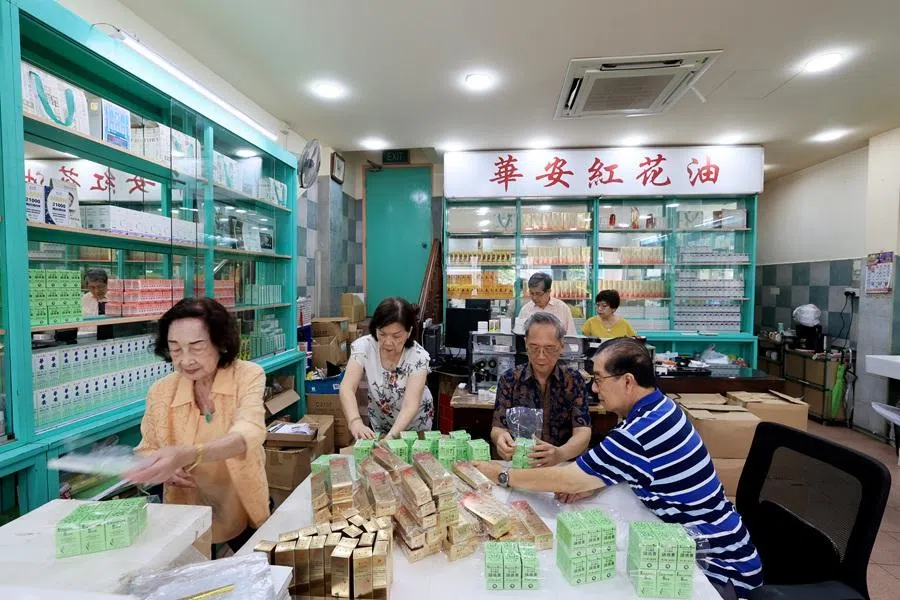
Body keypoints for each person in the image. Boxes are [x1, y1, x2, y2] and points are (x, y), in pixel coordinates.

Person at [475, 338, 763, 599]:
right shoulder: (658, 408)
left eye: (599, 379)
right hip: (713, 542)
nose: (594, 388)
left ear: (627, 381)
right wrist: (596, 480)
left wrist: (502, 474)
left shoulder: (641, 430)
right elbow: (628, 468)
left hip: (721, 570)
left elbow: (567, 479)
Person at [125, 298, 269, 552]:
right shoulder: (161, 392)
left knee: (258, 568)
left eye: (197, 346)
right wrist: (160, 470)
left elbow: (250, 430)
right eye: (175, 349)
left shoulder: (247, 375)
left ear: (220, 343)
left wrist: (191, 453)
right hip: (186, 508)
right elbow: (147, 449)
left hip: (240, 500)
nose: (185, 359)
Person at [491, 312, 591, 467]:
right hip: (522, 464)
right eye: (534, 347)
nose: (541, 356)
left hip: (563, 465)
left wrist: (560, 454)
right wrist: (501, 439)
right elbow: (498, 427)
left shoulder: (574, 380)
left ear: (561, 346)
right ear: (525, 343)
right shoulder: (509, 379)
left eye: (549, 348)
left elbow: (583, 431)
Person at [339, 297, 433, 440]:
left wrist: (392, 437)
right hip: (381, 422)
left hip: (415, 425)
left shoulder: (418, 357)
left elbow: (410, 405)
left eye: (396, 336)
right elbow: (347, 387)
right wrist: (355, 422)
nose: (388, 342)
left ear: (409, 332)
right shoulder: (364, 347)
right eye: (382, 334)